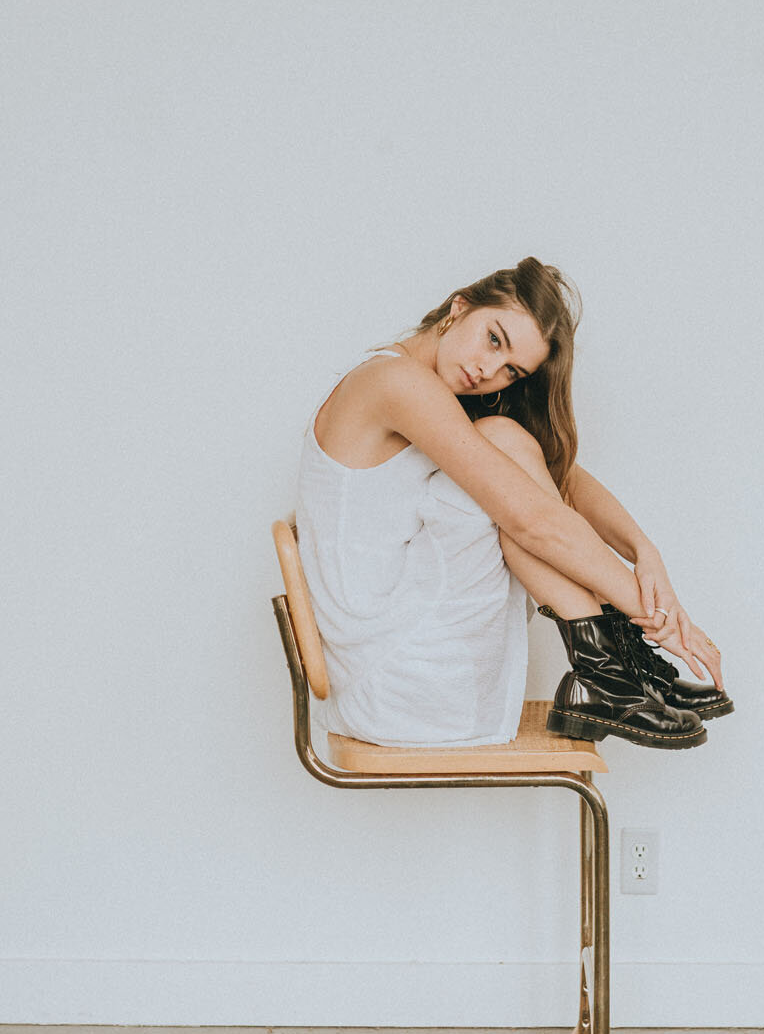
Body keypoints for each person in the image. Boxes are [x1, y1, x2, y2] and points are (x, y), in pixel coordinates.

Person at [295, 257, 731, 749]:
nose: (487, 370)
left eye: (511, 370)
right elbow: (534, 522)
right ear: (459, 308)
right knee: (510, 473)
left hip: (402, 669)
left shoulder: (435, 390)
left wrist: (644, 551)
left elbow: (563, 480)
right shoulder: (394, 382)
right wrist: (659, 619)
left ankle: (610, 670)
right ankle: (607, 669)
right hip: (399, 675)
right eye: (493, 338)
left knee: (508, 441)